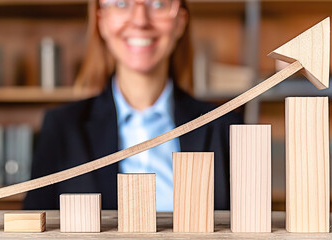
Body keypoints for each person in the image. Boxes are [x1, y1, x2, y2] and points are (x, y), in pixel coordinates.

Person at [23, 0, 242, 211]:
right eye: (121, 3)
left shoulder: (223, 127)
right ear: (101, 21)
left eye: (157, 4)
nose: (140, 20)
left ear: (181, 22)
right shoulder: (62, 128)